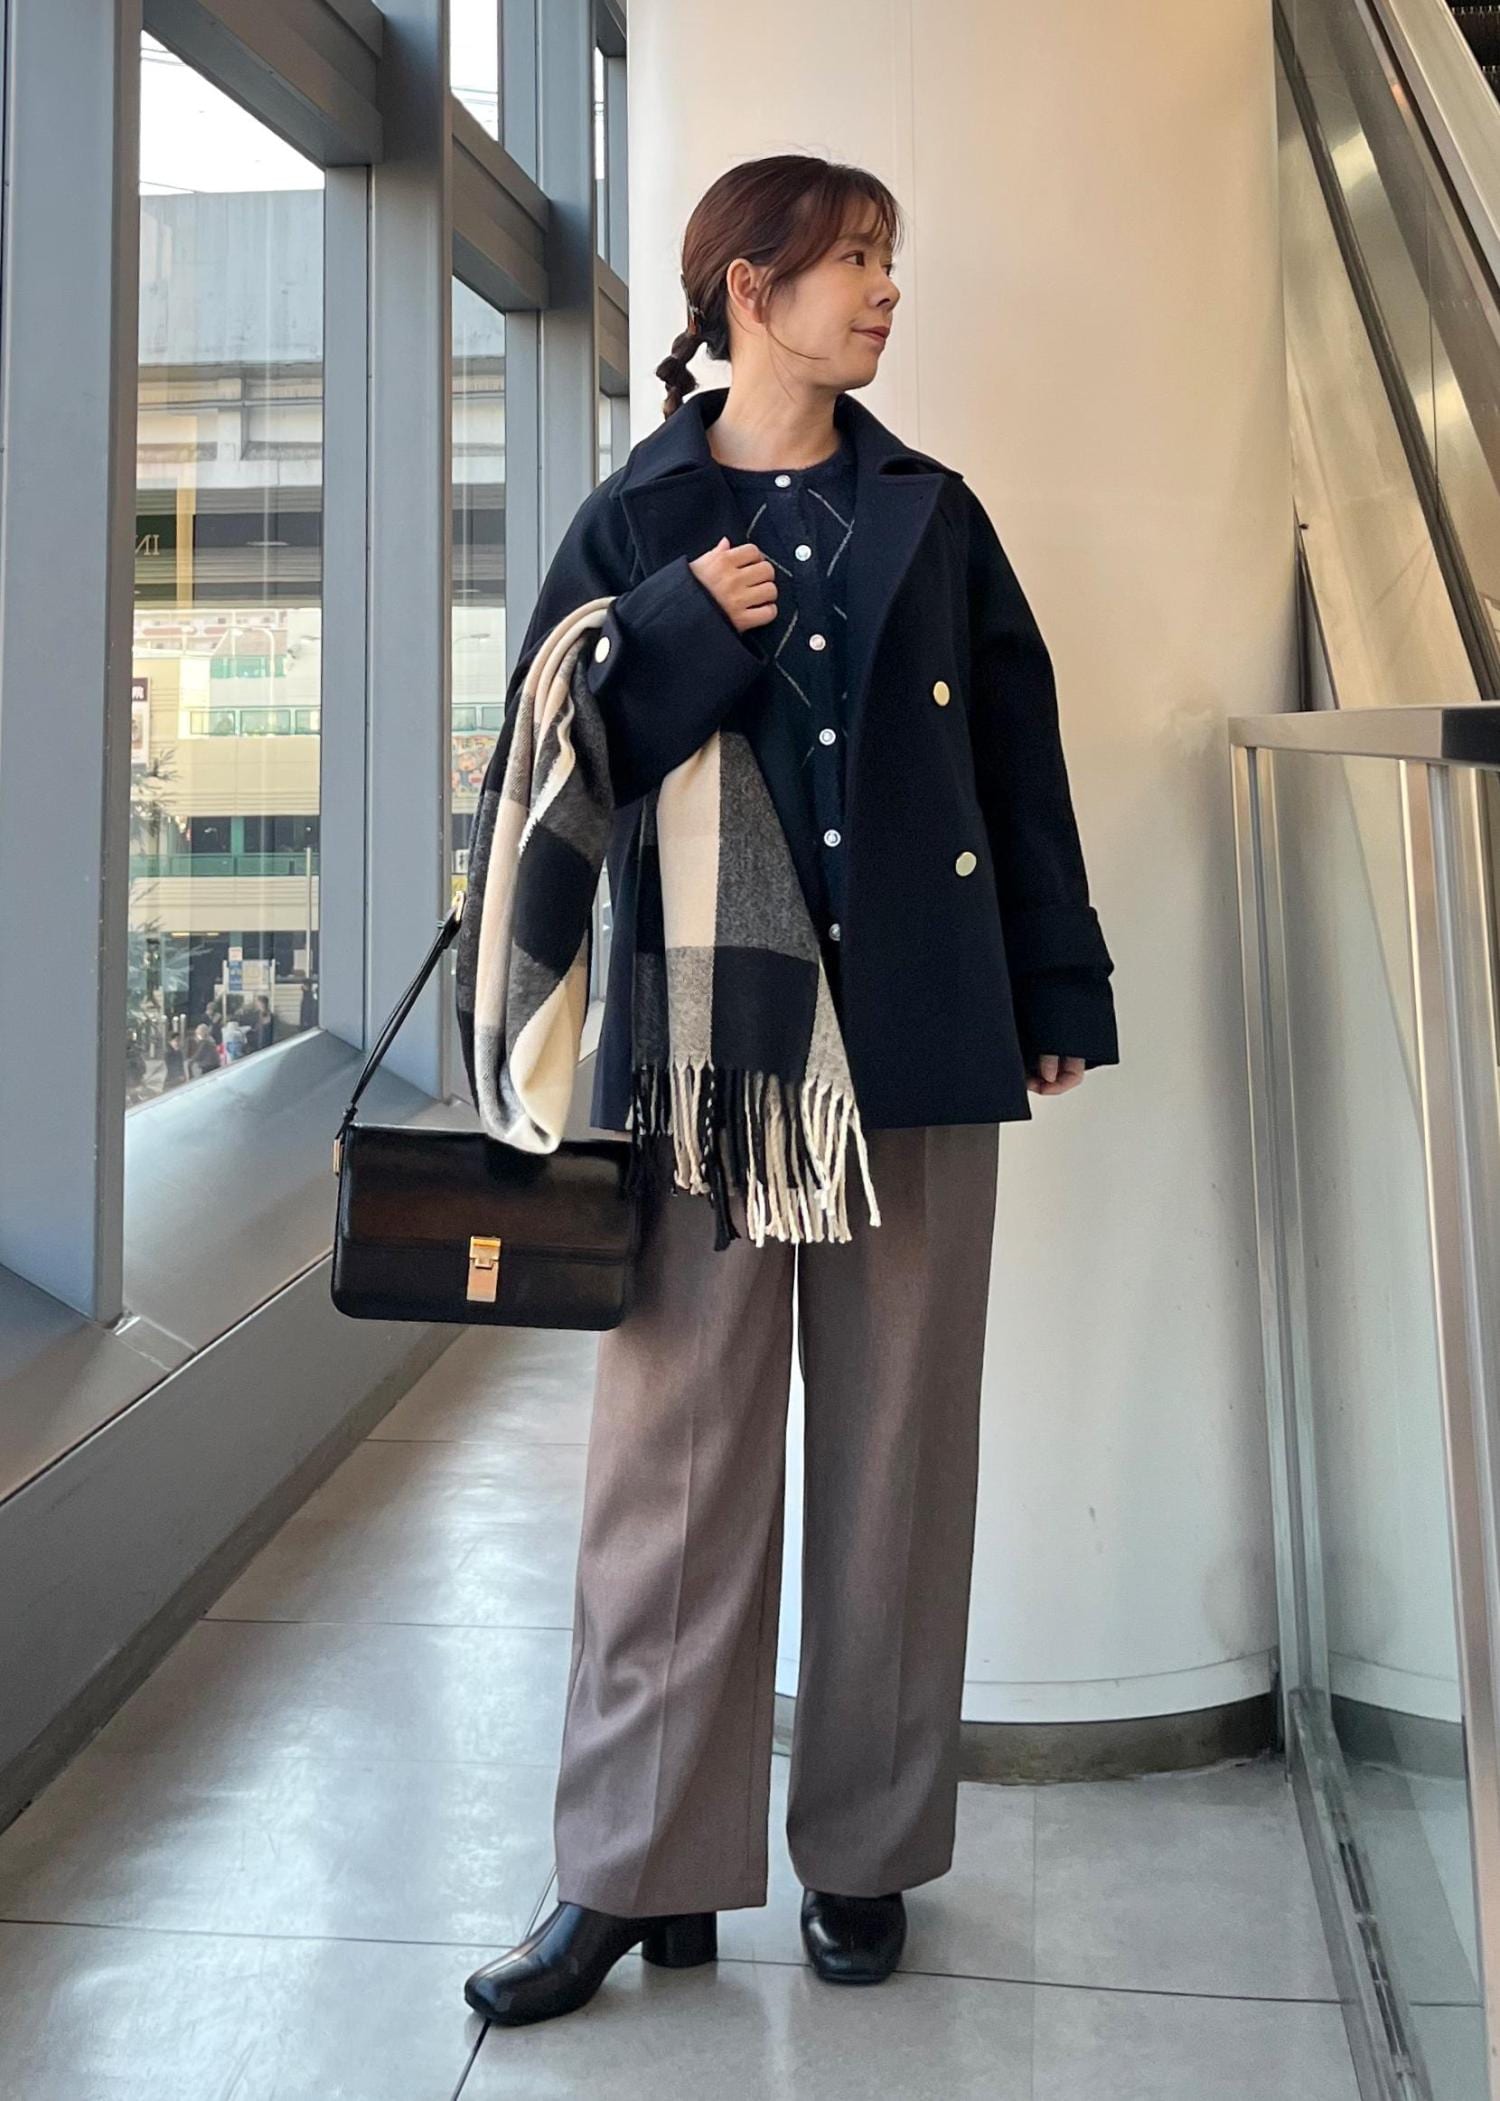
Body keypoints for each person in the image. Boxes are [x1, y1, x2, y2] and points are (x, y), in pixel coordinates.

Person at [463, 153, 1119, 2029]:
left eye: (890, 261)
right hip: (708, 1065)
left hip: (916, 1035)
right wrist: (683, 626)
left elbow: (1018, 762)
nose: (886, 292)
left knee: (900, 1453)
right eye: (853, 262)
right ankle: (630, 1870)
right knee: (666, 1471)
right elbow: (543, 768)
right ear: (749, 292)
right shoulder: (642, 513)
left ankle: (864, 1848)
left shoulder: (931, 509)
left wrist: (1053, 989)